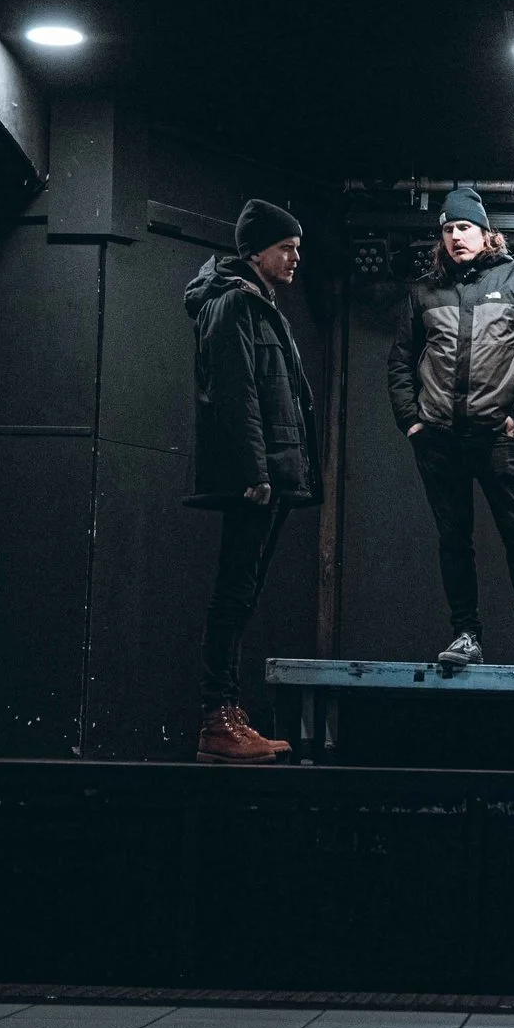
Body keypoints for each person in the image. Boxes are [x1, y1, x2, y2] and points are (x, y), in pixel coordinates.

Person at [388, 187, 514, 671]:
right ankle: (465, 637)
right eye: (446, 229)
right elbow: (400, 360)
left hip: (497, 436)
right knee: (453, 539)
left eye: (463, 227)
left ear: (486, 232)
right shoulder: (424, 291)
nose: (455, 237)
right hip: (439, 438)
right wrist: (410, 420)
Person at [181, 198, 318, 764]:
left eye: (298, 250)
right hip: (255, 478)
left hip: (272, 475)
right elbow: (234, 395)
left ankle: (227, 711)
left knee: (242, 594)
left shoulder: (260, 304)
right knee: (233, 593)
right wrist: (255, 472)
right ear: (256, 250)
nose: (294, 259)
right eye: (286, 249)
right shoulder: (233, 304)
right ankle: (217, 718)